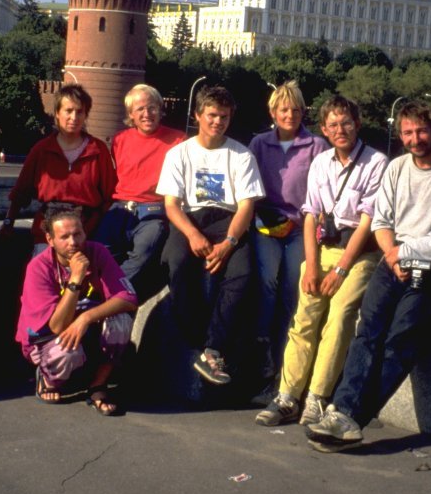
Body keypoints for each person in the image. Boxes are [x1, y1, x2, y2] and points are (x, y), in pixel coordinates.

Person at [306, 98, 431, 451]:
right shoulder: (397, 168)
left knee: (400, 340)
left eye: (421, 131)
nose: (415, 139)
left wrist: (406, 252)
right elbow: (381, 221)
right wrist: (392, 254)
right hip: (393, 254)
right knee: (367, 331)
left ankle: (353, 418)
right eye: (407, 133)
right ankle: (341, 409)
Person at [255, 95, 387, 427]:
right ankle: (287, 395)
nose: (339, 130)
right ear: (324, 130)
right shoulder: (322, 162)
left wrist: (342, 268)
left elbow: (369, 221)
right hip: (323, 249)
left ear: (357, 124)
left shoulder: (377, 163)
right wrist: (311, 265)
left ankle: (317, 396)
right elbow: (311, 215)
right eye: (332, 125)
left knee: (340, 315)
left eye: (346, 123)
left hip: (360, 253)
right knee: (304, 317)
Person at [157, 85, 265, 386]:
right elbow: (171, 205)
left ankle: (214, 347)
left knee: (241, 274)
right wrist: (192, 235)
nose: (218, 122)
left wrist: (229, 244)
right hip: (191, 217)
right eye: (212, 115)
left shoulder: (241, 155)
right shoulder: (179, 153)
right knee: (176, 262)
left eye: (224, 117)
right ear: (198, 116)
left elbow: (246, 206)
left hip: (228, 220)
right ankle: (195, 338)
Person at [247, 81, 328, 403]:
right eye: (284, 109)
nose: (290, 115)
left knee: (293, 290)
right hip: (266, 224)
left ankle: (286, 367)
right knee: (266, 282)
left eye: (296, 109)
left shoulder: (315, 145)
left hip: (299, 226)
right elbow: (248, 188)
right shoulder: (258, 143)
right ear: (272, 112)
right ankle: (262, 356)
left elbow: (322, 192)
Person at [16, 209, 138, 415]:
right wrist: (76, 278)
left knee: (121, 321)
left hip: (85, 330)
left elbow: (128, 298)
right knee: (66, 352)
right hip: (47, 338)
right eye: (64, 237)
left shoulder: (98, 252)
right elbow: (57, 326)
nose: (73, 242)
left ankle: (98, 386)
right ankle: (48, 380)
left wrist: (86, 317)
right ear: (50, 240)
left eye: (77, 234)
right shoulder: (39, 267)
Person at [93, 84, 185, 301]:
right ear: (131, 115)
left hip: (153, 210)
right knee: (98, 251)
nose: (147, 114)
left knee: (144, 252)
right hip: (119, 208)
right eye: (140, 109)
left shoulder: (178, 141)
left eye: (152, 108)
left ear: (161, 110)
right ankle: (105, 293)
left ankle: (107, 297)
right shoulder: (120, 140)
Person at [1, 85, 116, 255]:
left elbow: (110, 196)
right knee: (44, 275)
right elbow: (21, 192)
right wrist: (9, 221)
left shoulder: (97, 151)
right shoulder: (42, 150)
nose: (74, 117)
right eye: (68, 111)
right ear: (57, 113)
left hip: (86, 231)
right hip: (48, 230)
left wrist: (95, 229)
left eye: (80, 112)